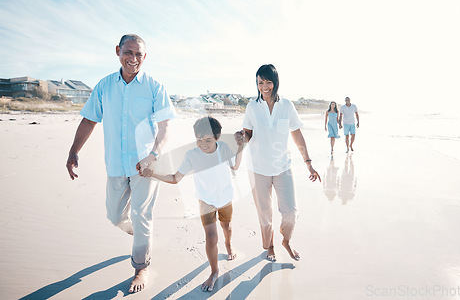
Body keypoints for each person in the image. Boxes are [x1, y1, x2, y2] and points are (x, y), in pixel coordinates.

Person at [65, 34, 176, 294]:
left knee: (142, 215)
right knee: (115, 215)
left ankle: (141, 267)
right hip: (115, 163)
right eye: (128, 52)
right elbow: (90, 119)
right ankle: (137, 233)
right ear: (118, 51)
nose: (133, 58)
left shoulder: (154, 86)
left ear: (144, 57)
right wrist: (73, 150)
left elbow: (166, 124)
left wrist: (154, 154)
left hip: (146, 165)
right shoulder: (104, 86)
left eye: (139, 54)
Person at [142, 116, 244, 292]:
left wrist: (241, 146)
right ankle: (214, 272)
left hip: (225, 197)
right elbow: (175, 178)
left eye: (208, 140)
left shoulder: (224, 149)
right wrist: (153, 173)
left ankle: (228, 244)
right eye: (199, 140)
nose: (203, 144)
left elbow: (235, 166)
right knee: (211, 237)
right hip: (205, 201)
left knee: (226, 227)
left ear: (217, 138)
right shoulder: (191, 155)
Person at [241, 64, 321, 262]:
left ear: (275, 82)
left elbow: (297, 134)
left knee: (290, 211)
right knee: (265, 214)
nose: (264, 86)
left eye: (268, 82)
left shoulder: (287, 106)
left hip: (282, 167)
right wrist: (240, 138)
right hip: (258, 168)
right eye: (260, 82)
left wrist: (308, 163)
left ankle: (286, 240)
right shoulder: (252, 107)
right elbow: (247, 134)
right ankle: (269, 246)